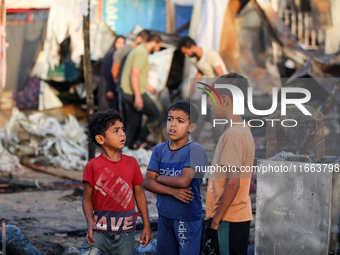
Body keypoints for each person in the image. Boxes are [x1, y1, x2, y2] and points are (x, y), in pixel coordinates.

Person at [79, 109, 151, 255]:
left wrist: (146, 225)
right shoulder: (92, 166)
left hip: (126, 234)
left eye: (122, 129)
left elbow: (140, 195)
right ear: (100, 139)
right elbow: (86, 199)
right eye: (116, 131)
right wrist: (90, 222)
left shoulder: (132, 163)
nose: (122, 134)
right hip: (99, 232)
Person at [143, 101, 208, 255]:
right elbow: (147, 182)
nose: (173, 124)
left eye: (180, 121)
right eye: (170, 119)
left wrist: (159, 177)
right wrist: (172, 192)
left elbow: (183, 181)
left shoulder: (195, 150)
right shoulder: (159, 149)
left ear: (191, 127)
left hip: (187, 219)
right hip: (165, 216)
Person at [204, 73, 255, 255]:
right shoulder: (240, 129)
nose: (210, 104)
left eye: (212, 99)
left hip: (228, 219)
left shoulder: (233, 135)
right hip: (232, 217)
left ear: (224, 100)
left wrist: (215, 222)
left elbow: (233, 183)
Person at [120, 34, 162, 149]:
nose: (158, 50)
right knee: (155, 114)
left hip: (129, 91)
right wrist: (138, 96)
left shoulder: (139, 51)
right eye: (159, 46)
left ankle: (129, 147)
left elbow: (138, 76)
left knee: (134, 122)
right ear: (154, 42)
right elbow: (134, 74)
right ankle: (139, 141)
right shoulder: (141, 53)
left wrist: (149, 87)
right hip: (133, 93)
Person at [97, 35, 125, 111]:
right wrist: (109, 89)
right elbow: (109, 73)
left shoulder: (117, 55)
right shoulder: (111, 55)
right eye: (118, 42)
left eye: (123, 43)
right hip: (107, 87)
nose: (120, 45)